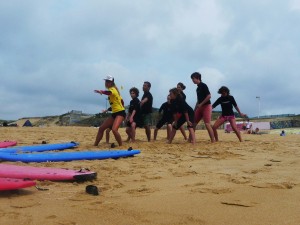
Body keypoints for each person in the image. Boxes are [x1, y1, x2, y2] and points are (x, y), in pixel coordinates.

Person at [94, 75, 126, 147]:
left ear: (112, 82)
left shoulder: (113, 89)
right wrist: (107, 110)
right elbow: (121, 101)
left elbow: (109, 93)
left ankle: (121, 146)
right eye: (106, 81)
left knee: (114, 130)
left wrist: (101, 91)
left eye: (108, 81)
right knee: (101, 128)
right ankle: (95, 145)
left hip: (120, 113)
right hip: (115, 113)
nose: (106, 83)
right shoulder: (115, 91)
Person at [190, 72, 215, 142]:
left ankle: (213, 140)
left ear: (198, 78)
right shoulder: (197, 89)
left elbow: (209, 96)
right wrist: (194, 110)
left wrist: (201, 104)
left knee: (207, 124)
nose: (192, 80)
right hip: (199, 107)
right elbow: (198, 100)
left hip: (207, 106)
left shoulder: (204, 85)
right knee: (193, 123)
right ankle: (191, 139)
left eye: (193, 79)